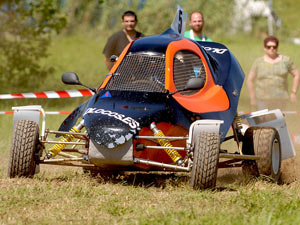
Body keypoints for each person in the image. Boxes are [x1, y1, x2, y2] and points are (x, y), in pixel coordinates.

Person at [247, 35, 300, 110]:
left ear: (277, 47)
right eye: (269, 47)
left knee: (278, 121)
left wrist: (293, 92)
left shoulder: (286, 60)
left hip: (280, 99)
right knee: (264, 121)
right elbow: (250, 80)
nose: (271, 49)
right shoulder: (258, 62)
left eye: (274, 47)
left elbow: (297, 75)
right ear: (265, 48)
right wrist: (252, 97)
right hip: (262, 100)